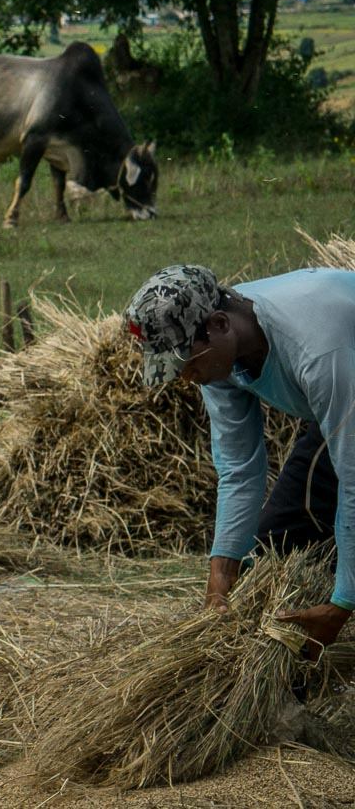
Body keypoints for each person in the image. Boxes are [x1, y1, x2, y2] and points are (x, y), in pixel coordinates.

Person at [125, 263, 355, 654]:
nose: (186, 377)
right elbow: (239, 468)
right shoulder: (217, 358)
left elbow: (353, 477)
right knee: (274, 549)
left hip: (344, 379)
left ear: (219, 324)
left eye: (187, 363)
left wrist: (343, 603)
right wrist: (222, 573)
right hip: (344, 406)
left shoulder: (317, 350)